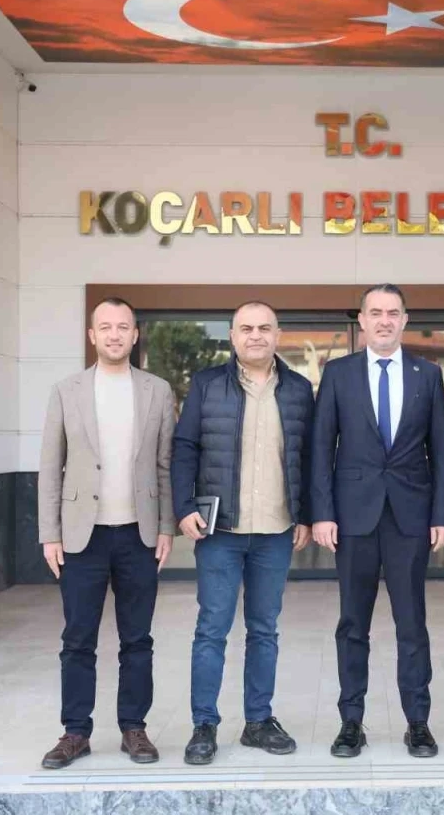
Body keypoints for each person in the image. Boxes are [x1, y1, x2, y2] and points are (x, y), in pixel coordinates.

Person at [309, 283, 444, 759]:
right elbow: (320, 449)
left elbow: (440, 450)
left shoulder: (427, 375)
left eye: (393, 313)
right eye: (376, 312)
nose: (385, 320)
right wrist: (322, 513)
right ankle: (351, 722)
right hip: (353, 516)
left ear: (405, 320)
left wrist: (443, 514)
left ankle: (418, 722)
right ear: (363, 320)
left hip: (410, 517)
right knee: (353, 624)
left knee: (412, 623)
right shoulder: (338, 373)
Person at [171, 302, 314, 765]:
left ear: (278, 335)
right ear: (232, 336)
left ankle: (258, 721)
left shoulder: (298, 389)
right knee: (211, 629)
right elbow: (184, 447)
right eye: (246, 328)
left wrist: (307, 514)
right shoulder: (207, 384)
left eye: (264, 328)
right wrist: (183, 507)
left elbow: (309, 457)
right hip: (221, 532)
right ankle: (204, 725)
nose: (256, 335)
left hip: (275, 530)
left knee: (264, 630)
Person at [37, 297, 176, 769]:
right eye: (105, 327)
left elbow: (164, 465)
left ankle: (134, 728)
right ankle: (75, 732)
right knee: (78, 639)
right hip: (82, 537)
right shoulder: (66, 391)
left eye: (123, 327)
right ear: (92, 335)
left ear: (135, 335)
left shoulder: (158, 391)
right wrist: (50, 533)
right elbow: (50, 466)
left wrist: (166, 527)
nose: (114, 334)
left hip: (139, 534)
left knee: (138, 639)